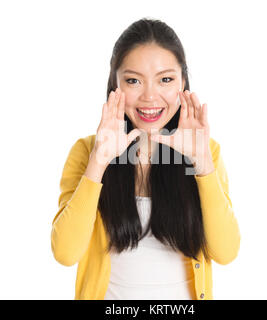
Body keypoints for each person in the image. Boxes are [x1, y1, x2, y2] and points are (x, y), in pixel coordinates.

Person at [51, 18, 241, 300]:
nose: (150, 96)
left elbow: (226, 253)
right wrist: (99, 162)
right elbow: (66, 253)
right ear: (114, 85)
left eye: (165, 79)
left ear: (183, 82)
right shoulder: (87, 152)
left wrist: (201, 163)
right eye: (133, 81)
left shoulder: (206, 152)